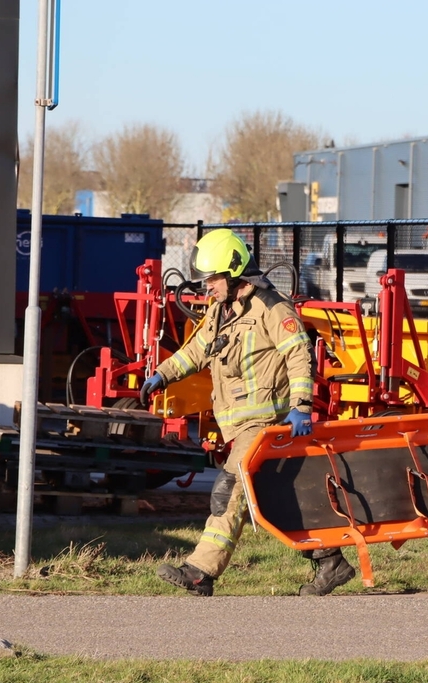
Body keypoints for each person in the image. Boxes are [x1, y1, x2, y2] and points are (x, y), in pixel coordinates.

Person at [146, 229, 356, 597]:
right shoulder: (221, 310)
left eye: (211, 279)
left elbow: (299, 356)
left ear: (232, 273)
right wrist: (163, 374)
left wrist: (301, 408)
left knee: (230, 491)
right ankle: (331, 562)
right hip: (238, 423)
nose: (206, 287)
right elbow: (197, 349)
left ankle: (200, 571)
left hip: (266, 423)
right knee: (275, 498)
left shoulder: (272, 308)